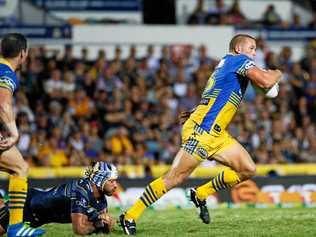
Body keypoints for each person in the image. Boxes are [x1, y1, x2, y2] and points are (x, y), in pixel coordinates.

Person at [119, 34, 282, 235]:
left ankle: (201, 193)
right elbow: (266, 82)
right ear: (239, 49)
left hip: (216, 133)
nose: (254, 53)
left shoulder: (226, 64)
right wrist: (277, 72)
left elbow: (217, 92)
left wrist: (197, 109)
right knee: (175, 177)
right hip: (202, 130)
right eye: (251, 48)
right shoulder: (239, 60)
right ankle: (129, 216)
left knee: (247, 169)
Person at [0, 33, 45, 237]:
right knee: (19, 168)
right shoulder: (6, 73)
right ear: (23, 54)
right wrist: (13, 130)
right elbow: (3, 103)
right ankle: (16, 228)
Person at [0, 161, 118, 235]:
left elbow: (101, 228)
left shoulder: (101, 199)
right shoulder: (81, 191)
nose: (116, 185)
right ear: (99, 180)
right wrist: (99, 224)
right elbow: (79, 229)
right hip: (28, 206)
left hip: (37, 216)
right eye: (111, 181)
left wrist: (107, 224)